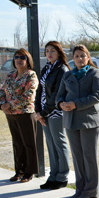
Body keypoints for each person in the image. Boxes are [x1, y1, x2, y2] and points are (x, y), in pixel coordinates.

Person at [56, 45, 99, 198]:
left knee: (88, 156)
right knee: (77, 157)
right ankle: (80, 188)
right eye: (76, 56)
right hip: (71, 121)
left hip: (89, 121)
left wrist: (75, 104)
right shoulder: (68, 75)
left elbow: (98, 95)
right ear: (73, 58)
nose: (79, 59)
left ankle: (91, 190)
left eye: (82, 56)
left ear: (88, 57)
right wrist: (61, 104)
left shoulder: (95, 73)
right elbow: (59, 96)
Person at [0, 48, 39, 183]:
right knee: (17, 143)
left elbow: (28, 95)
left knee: (28, 143)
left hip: (25, 113)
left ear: (28, 61)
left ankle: (29, 172)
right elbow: (1, 91)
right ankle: (19, 171)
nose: (19, 60)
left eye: (22, 57)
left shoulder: (31, 75)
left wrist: (10, 105)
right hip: (11, 115)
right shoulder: (10, 75)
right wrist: (2, 105)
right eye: (16, 57)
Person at [36, 41, 71, 190]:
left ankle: (62, 177)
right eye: (47, 51)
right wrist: (38, 112)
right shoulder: (46, 68)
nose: (49, 53)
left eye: (53, 51)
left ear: (59, 53)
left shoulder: (62, 69)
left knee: (59, 142)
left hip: (55, 111)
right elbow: (39, 91)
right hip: (44, 112)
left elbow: (56, 94)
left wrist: (44, 112)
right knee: (50, 144)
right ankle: (53, 175)